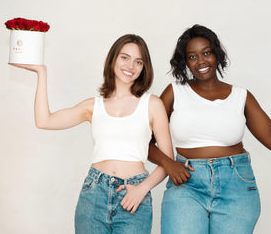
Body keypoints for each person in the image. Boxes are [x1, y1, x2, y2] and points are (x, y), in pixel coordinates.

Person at [148, 25, 271, 234]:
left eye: (206, 53)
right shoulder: (175, 92)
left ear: (216, 54)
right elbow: (144, 140)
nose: (201, 61)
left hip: (235, 185)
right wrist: (169, 163)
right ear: (185, 62)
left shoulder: (241, 96)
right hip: (186, 184)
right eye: (192, 56)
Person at [10, 34, 174, 234]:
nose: (131, 66)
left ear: (143, 67)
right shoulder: (93, 106)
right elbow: (44, 121)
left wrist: (141, 189)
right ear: (113, 59)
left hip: (134, 197)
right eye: (125, 57)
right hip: (94, 193)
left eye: (138, 61)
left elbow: (168, 162)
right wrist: (41, 73)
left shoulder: (152, 105)